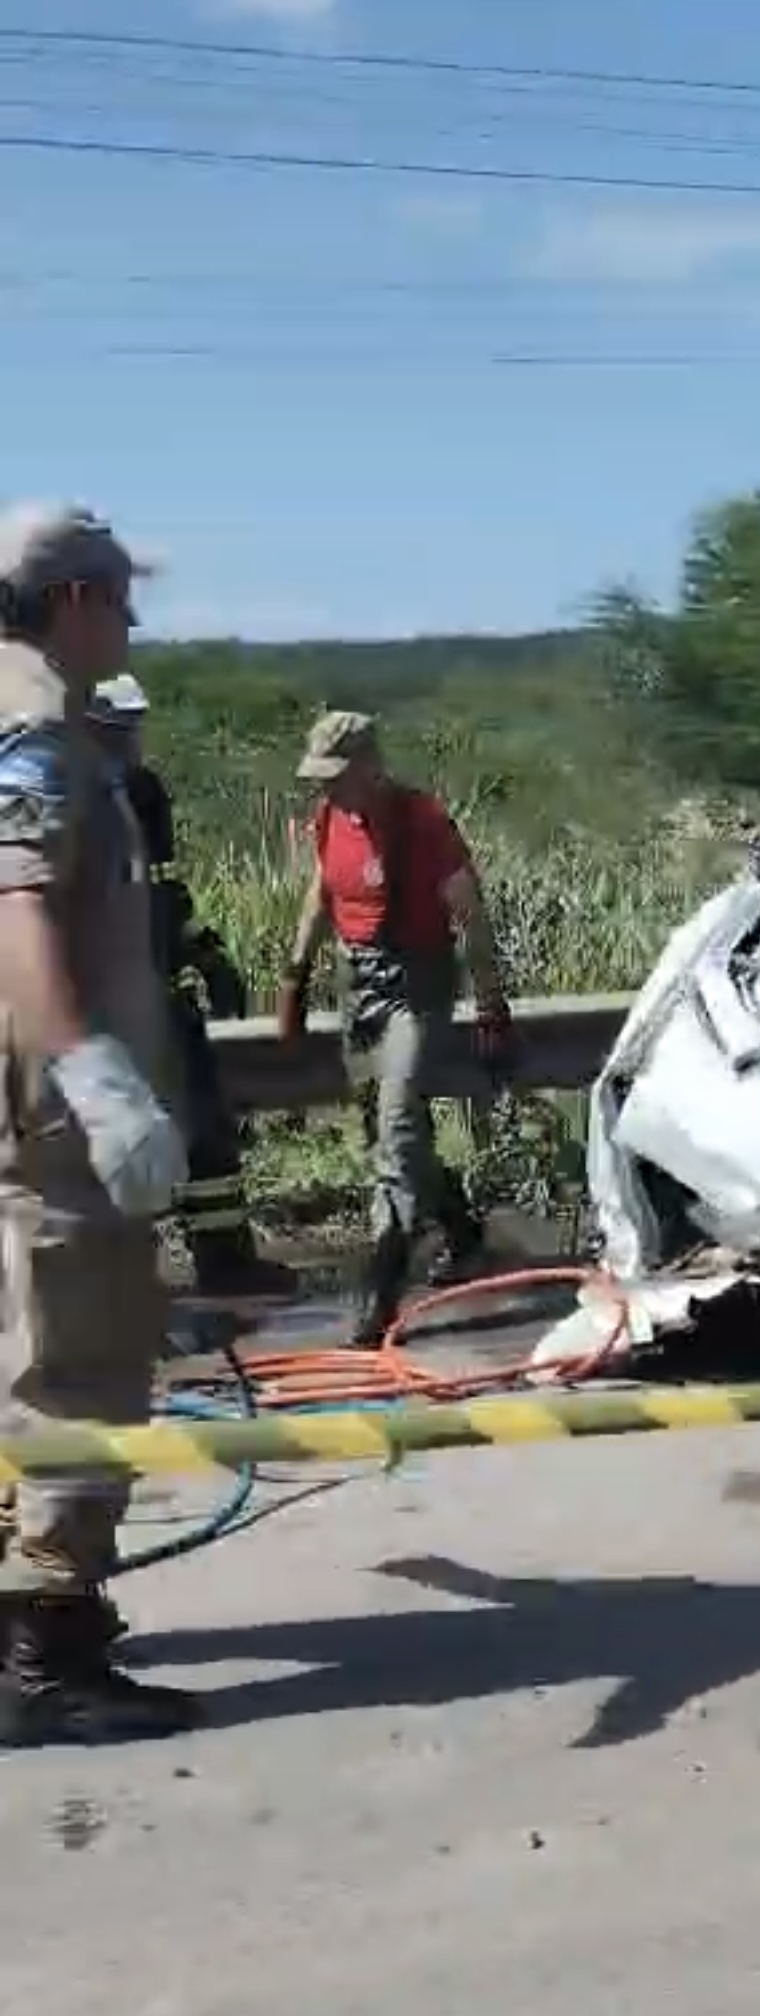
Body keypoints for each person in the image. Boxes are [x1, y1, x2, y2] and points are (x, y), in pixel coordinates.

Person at [0, 503, 203, 1743]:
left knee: (22, 1356)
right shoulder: (31, 731)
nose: (132, 624)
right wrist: (96, 1075)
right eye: (124, 601)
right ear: (75, 599)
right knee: (79, 1363)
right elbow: (14, 909)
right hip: (54, 1125)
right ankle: (47, 1655)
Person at [277, 711, 513, 1346]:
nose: (325, 790)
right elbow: (323, 892)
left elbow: (472, 914)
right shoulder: (330, 819)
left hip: (418, 987)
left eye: (336, 777)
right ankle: (463, 1237)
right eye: (319, 779)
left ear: (369, 768)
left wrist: (491, 1006)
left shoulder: (423, 822)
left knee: (398, 1133)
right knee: (382, 1133)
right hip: (359, 986)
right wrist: (295, 980)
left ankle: (377, 1296)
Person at [87, 674, 293, 1303]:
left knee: (206, 1130)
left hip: (162, 999)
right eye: (121, 729)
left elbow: (166, 889)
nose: (132, 740)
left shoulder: (145, 793)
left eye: (135, 727)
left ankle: (226, 1262)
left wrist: (206, 954)